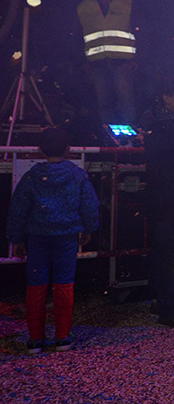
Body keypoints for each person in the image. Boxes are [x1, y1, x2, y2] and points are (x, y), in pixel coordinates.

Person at [5, 127, 100, 354]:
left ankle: (35, 339)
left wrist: (16, 238)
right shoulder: (77, 175)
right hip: (66, 237)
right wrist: (89, 228)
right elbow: (90, 205)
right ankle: (62, 337)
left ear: (39, 150)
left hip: (38, 237)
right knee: (64, 283)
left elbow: (18, 208)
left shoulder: (32, 176)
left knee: (36, 285)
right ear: (68, 149)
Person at [139, 71, 174, 327]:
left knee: (164, 253)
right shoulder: (170, 129)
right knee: (169, 254)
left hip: (165, 199)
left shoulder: (155, 122)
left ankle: (161, 301)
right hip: (170, 200)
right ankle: (168, 309)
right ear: (166, 97)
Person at [76, 0, 138, 125]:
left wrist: (137, 59)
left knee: (126, 101)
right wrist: (83, 62)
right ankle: (107, 136)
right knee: (103, 103)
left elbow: (139, 33)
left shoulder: (127, 4)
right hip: (97, 64)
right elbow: (78, 36)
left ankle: (129, 137)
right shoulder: (84, 7)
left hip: (122, 63)